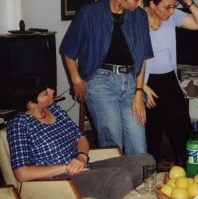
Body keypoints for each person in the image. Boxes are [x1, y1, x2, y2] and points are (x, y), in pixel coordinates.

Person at [7, 76, 156, 199]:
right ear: (31, 104)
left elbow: (81, 138)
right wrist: (67, 167)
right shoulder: (19, 125)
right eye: (45, 93)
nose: (52, 91)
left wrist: (81, 157)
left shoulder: (54, 109)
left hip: (83, 167)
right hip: (60, 180)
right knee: (119, 178)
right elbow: (22, 173)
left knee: (145, 161)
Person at [60, 0, 153, 154]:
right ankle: (116, 183)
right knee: (113, 144)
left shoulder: (140, 16)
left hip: (130, 83)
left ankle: (139, 184)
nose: (140, 3)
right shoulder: (89, 14)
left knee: (139, 147)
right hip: (100, 83)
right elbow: (68, 51)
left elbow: (142, 57)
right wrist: (76, 80)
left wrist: (138, 92)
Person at [143, 0, 198, 167]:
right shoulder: (136, 17)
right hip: (145, 83)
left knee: (182, 132)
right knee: (149, 136)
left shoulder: (173, 16)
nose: (171, 11)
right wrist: (140, 87)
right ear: (152, 3)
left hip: (169, 81)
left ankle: (190, 173)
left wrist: (187, 0)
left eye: (174, 5)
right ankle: (148, 180)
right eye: (167, 6)